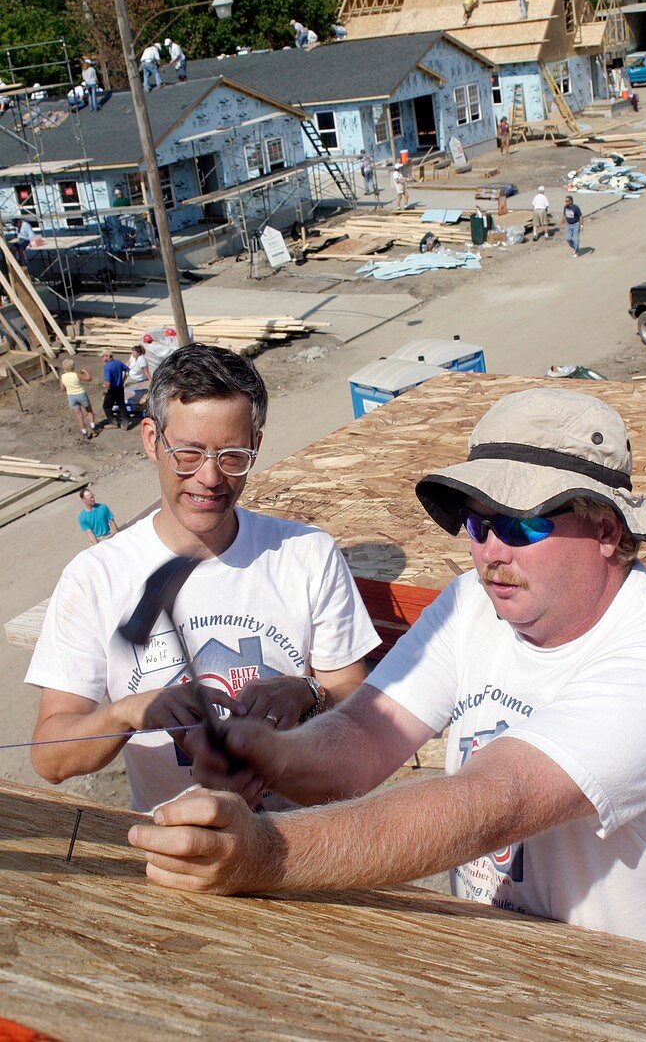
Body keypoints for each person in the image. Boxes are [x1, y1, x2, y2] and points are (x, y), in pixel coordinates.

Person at [126, 387, 646, 961]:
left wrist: (266, 852)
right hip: (517, 968)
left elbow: (490, 802)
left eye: (523, 524)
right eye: (477, 522)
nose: (492, 550)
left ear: (606, 529)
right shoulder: (474, 601)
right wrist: (271, 752)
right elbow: (366, 735)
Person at [26, 344, 380, 814]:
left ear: (256, 444)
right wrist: (126, 713)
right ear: (151, 439)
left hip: (302, 844)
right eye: (188, 453)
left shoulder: (307, 554)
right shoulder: (95, 578)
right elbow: (49, 758)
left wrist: (310, 694)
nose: (210, 477)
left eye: (233, 456)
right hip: (172, 854)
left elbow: (354, 702)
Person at [59, 358, 98, 440]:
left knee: (79, 415)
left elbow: (62, 389)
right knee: (89, 410)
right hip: (81, 394)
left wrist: (69, 389)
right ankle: (93, 428)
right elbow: (88, 378)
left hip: (71, 396)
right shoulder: (76, 375)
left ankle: (84, 432)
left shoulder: (63, 377)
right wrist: (85, 372)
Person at [102, 350, 130, 428]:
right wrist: (123, 380)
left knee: (106, 406)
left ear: (107, 356)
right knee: (121, 405)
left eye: (103, 356)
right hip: (120, 387)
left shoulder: (107, 367)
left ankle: (113, 422)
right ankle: (125, 422)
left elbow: (108, 381)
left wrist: (106, 390)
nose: (102, 358)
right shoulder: (118, 362)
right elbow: (127, 370)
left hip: (112, 389)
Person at [125, 342, 151, 416]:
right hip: (131, 376)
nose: (132, 353)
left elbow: (145, 371)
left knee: (137, 393)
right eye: (132, 352)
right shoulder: (132, 357)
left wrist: (150, 380)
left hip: (139, 379)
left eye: (134, 352)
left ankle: (137, 405)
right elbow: (128, 363)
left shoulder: (141, 359)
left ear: (138, 352)